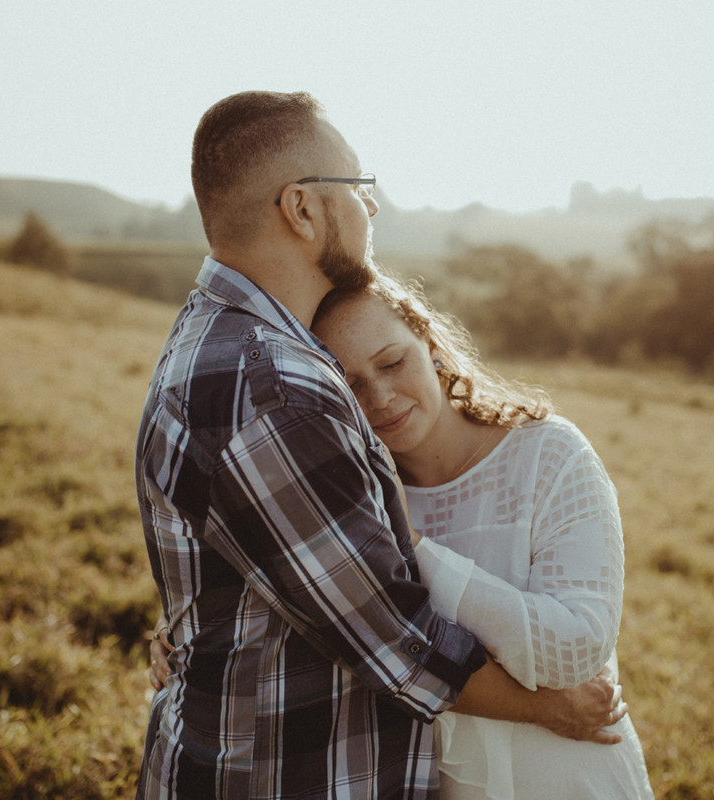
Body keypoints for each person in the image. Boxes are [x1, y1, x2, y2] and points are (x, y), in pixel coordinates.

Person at [136, 90, 626, 800]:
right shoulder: (275, 385)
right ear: (302, 208)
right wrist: (547, 707)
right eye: (358, 187)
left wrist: (190, 632)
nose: (370, 208)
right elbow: (391, 637)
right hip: (276, 776)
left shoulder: (209, 338)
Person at [306, 273, 655, 799]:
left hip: (572, 778)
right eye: (349, 383)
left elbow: (576, 650)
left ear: (430, 345)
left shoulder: (549, 455)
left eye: (392, 362)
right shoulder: (347, 501)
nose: (378, 396)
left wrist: (416, 545)